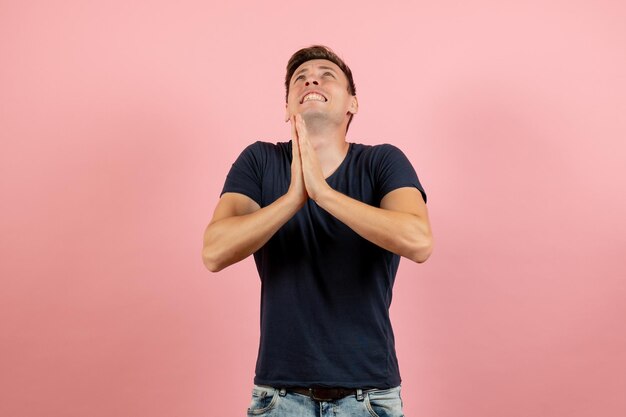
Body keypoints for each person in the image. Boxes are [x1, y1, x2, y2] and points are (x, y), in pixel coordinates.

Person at [202, 45, 433, 417]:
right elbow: (214, 252)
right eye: (300, 78)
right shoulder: (260, 160)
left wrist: (322, 194)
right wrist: (293, 199)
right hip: (278, 398)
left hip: (370, 397)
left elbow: (419, 241)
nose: (311, 78)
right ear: (287, 109)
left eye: (328, 75)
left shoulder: (382, 161)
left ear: (352, 104)